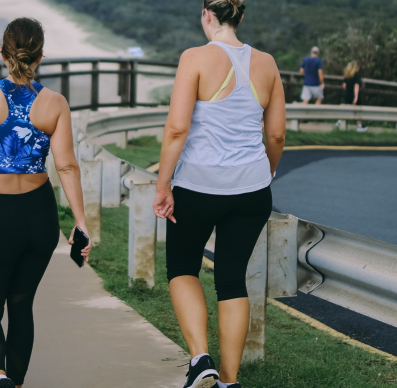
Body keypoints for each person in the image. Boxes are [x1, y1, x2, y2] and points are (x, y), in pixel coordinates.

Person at [152, 1, 286, 388]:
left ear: (206, 15)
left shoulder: (194, 58)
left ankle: (200, 361)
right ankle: (229, 381)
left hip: (198, 186)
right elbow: (275, 135)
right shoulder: (268, 63)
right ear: (240, 17)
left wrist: (163, 187)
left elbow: (177, 129)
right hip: (251, 190)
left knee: (182, 268)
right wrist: (267, 171)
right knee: (231, 280)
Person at [0, 18, 92, 388]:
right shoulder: (54, 103)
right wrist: (80, 222)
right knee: (20, 306)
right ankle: (13, 383)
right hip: (40, 218)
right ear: (40, 56)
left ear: (3, 53)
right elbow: (66, 165)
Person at [342, 60, 367, 132]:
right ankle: (359, 126)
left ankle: (340, 121)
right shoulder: (357, 75)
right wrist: (356, 97)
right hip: (353, 95)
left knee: (346, 109)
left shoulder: (347, 75)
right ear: (356, 67)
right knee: (358, 111)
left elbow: (344, 85)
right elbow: (356, 86)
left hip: (347, 95)